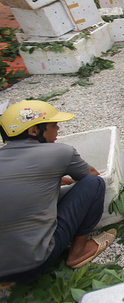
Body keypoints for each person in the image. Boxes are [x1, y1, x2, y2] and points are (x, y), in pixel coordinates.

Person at [0, 101, 114, 285]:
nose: (58, 128)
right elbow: (92, 175)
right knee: (94, 184)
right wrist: (64, 174)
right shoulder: (60, 152)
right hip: (34, 263)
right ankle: (78, 252)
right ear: (34, 131)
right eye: (53, 125)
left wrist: (56, 178)